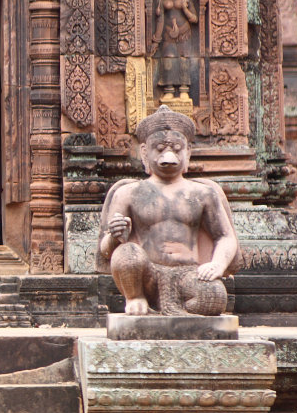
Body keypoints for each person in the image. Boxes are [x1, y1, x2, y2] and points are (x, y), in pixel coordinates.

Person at [97, 104, 238, 316]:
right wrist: (115, 237)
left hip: (189, 274)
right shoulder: (128, 192)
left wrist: (217, 264)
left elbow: (225, 237)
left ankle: (177, 312)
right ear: (145, 152)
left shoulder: (203, 193)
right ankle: (135, 297)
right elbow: (106, 250)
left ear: (188, 152)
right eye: (160, 149)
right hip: (146, 275)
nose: (169, 155)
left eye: (176, 149)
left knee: (215, 297)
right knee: (127, 254)